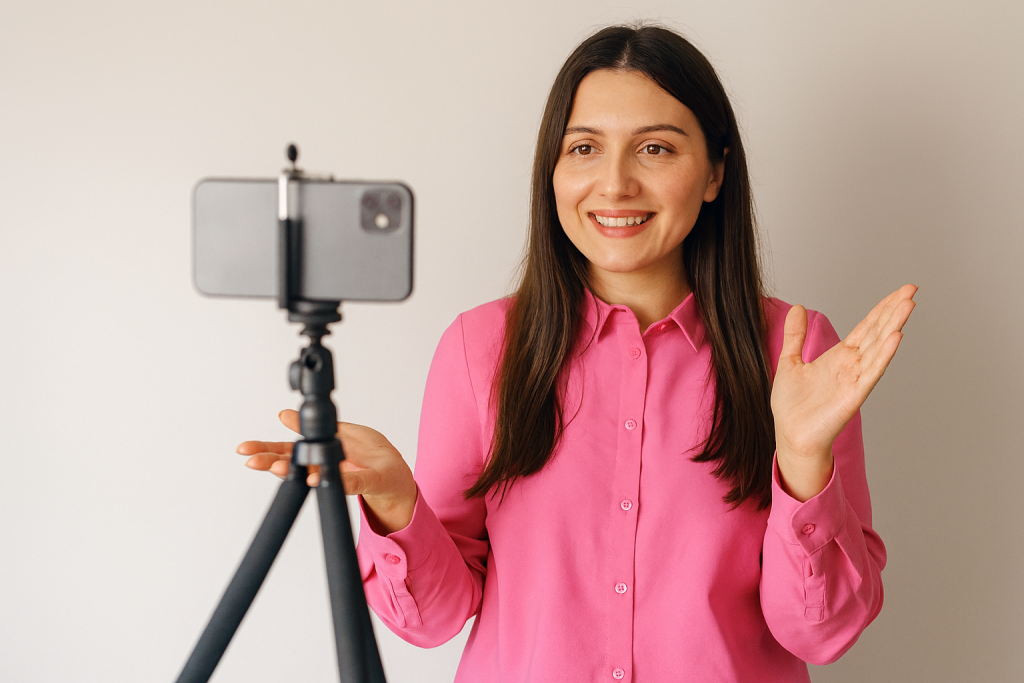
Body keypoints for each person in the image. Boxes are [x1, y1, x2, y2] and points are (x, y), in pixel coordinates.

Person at [239, 24, 917, 683]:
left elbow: (821, 634)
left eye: (655, 149)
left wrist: (803, 464)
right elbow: (435, 618)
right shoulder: (482, 348)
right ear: (552, 170)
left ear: (715, 171)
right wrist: (394, 500)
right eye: (584, 148)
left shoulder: (795, 354)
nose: (615, 183)